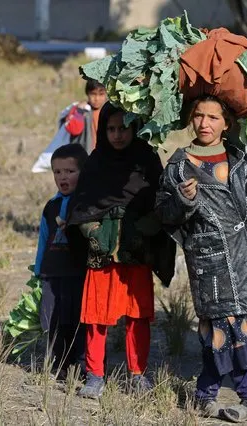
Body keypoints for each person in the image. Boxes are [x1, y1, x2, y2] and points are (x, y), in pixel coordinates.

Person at [155, 95, 247, 423]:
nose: (205, 123)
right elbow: (164, 214)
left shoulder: (237, 159)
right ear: (190, 119)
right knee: (225, 329)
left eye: (212, 117)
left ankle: (205, 393)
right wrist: (183, 199)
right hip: (207, 262)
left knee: (225, 329)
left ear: (227, 123)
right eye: (199, 116)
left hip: (242, 258)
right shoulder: (179, 166)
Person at [67, 102, 174, 399]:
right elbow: (81, 207)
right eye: (111, 129)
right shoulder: (95, 162)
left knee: (137, 316)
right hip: (101, 256)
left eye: (123, 128)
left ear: (135, 128)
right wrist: (93, 232)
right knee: (95, 315)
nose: (116, 135)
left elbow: (160, 202)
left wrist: (146, 228)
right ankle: (94, 375)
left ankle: (137, 374)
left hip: (135, 255)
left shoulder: (147, 161)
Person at [34, 143, 89, 378]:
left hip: (78, 273)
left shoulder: (86, 204)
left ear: (83, 173)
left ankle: (82, 364)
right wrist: (39, 270)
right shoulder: (51, 206)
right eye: (57, 172)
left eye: (69, 171)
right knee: (53, 320)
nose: (62, 177)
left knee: (77, 320)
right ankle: (58, 364)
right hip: (53, 273)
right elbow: (43, 238)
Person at [63, 79, 107, 153]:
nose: (97, 98)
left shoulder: (110, 111)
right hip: (85, 155)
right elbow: (73, 130)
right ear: (87, 93)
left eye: (101, 94)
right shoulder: (81, 109)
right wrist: (79, 112)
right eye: (93, 94)